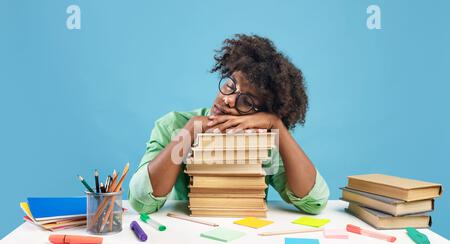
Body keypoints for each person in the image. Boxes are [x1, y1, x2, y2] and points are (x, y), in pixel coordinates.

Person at [128, 34, 329, 215]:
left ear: (262, 112)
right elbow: (140, 202)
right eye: (230, 85)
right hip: (185, 235)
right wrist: (189, 131)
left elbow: (315, 201)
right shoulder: (173, 126)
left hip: (247, 235)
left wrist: (276, 125)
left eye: (246, 101)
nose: (228, 99)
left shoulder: (265, 140)